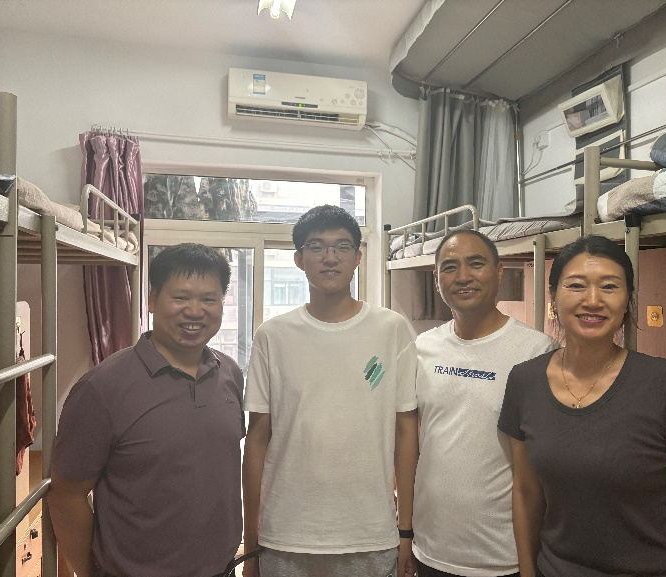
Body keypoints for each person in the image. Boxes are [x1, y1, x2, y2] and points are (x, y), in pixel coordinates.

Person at [498, 235, 666, 577]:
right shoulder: (524, 381)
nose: (592, 300)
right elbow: (527, 495)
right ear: (554, 297)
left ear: (627, 300)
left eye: (609, 287)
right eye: (576, 285)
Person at [48, 243, 245, 577]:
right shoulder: (102, 387)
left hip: (222, 569)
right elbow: (67, 495)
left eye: (208, 299)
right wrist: (88, 573)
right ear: (152, 300)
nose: (194, 311)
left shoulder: (230, 373)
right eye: (180, 297)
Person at [242, 205, 418, 577]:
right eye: (317, 246)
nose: (330, 257)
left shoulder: (390, 329)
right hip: (285, 535)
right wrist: (251, 543)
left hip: (370, 534)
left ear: (357, 257)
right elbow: (257, 439)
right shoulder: (273, 336)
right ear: (299, 259)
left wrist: (406, 531)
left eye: (341, 246)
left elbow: (406, 432)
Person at [412, 229, 556, 577]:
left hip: (503, 556)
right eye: (450, 267)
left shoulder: (536, 351)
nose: (463, 276)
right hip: (430, 549)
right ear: (436, 280)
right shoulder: (422, 348)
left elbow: (540, 466)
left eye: (476, 264)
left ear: (499, 272)